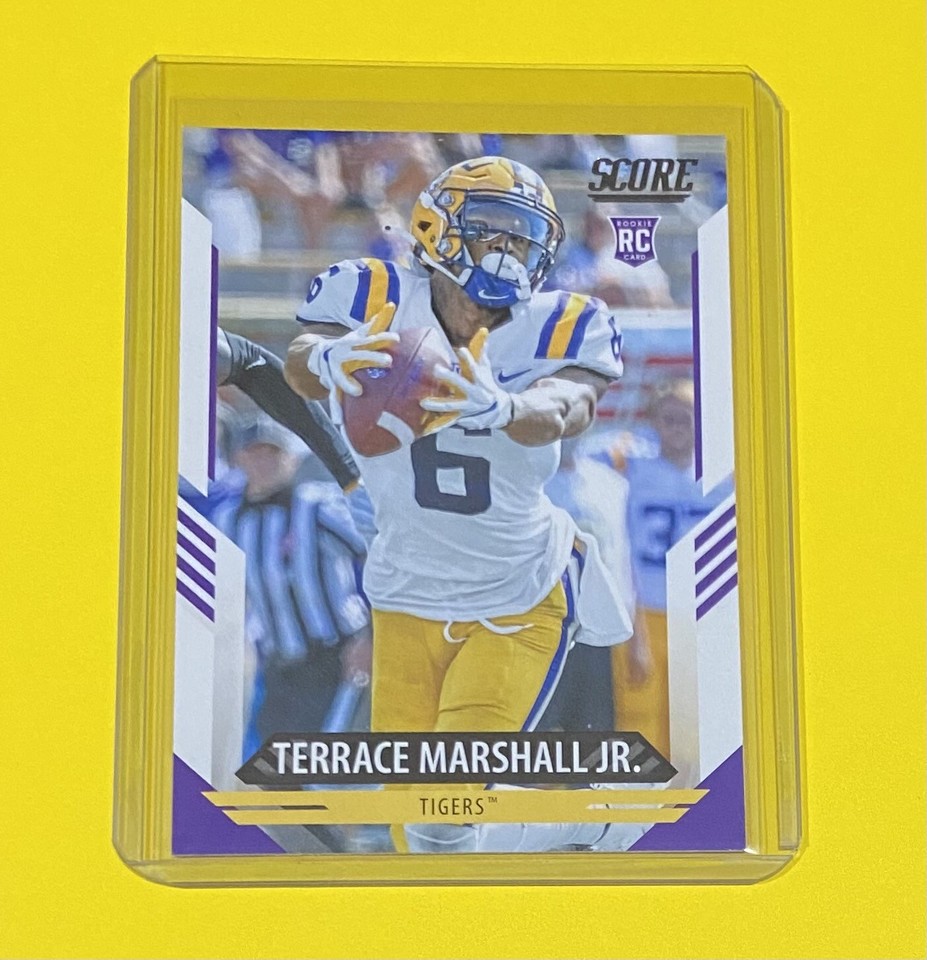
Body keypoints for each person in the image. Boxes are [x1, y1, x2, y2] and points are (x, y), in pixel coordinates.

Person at [284, 156, 634, 852]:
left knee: (442, 809)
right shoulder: (374, 291)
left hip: (517, 592)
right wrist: (325, 360)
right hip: (406, 590)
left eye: (522, 236)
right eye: (492, 229)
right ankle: (573, 825)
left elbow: (570, 406)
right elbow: (301, 355)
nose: (509, 249)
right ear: (433, 228)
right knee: (412, 822)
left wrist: (506, 407)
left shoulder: (562, 322)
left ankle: (587, 821)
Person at [611, 379, 733, 759]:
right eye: (669, 418)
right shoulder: (631, 470)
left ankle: (691, 797)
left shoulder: (727, 477)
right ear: (654, 421)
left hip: (702, 614)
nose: (678, 427)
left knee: (694, 727)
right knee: (639, 723)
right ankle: (638, 800)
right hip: (646, 610)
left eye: (687, 418)